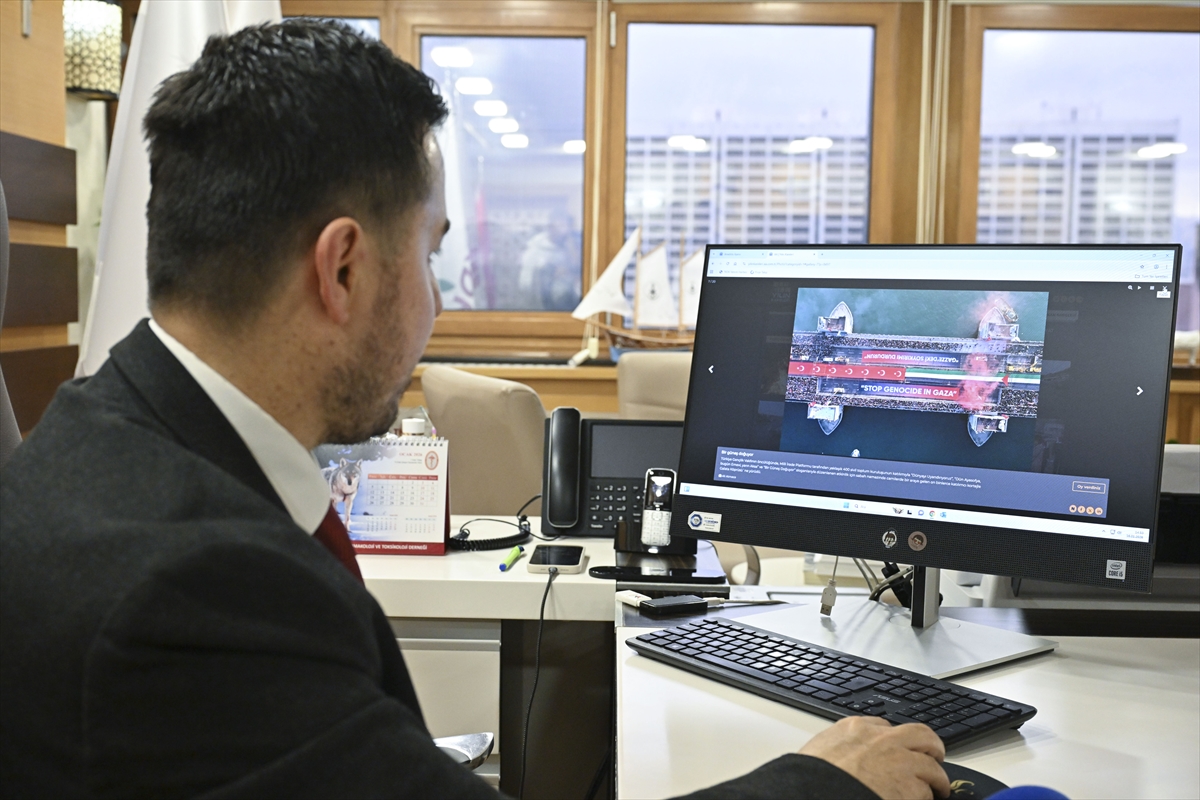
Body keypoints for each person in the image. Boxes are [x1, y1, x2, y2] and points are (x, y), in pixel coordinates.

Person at [0, 21, 950, 800]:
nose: (437, 302)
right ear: (342, 270)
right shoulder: (200, 588)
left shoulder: (91, 441)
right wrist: (826, 782)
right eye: (430, 256)